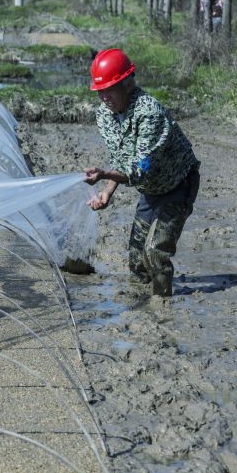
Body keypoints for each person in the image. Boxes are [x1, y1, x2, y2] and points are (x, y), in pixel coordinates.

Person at [83, 48, 200, 297]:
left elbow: (139, 171)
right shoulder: (105, 115)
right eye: (99, 91)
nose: (104, 97)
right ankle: (140, 305)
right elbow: (120, 156)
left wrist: (104, 175)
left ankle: (162, 305)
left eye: (110, 89)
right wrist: (106, 193)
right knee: (137, 258)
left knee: (156, 251)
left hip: (178, 184)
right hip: (151, 189)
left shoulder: (149, 114)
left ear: (127, 83)